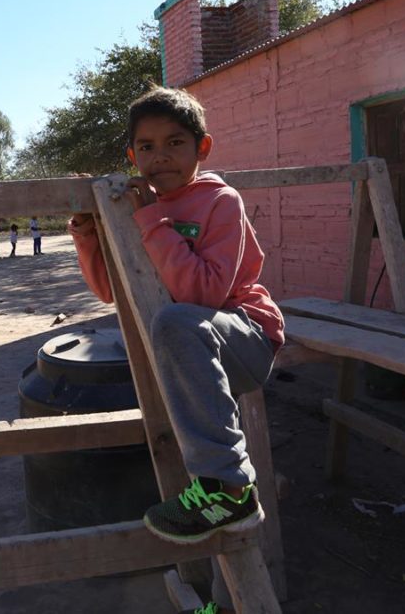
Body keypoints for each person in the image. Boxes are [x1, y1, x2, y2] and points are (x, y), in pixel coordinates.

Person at [67, 86, 284, 614]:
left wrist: (152, 222)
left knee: (175, 321)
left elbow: (202, 294)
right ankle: (222, 600)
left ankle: (230, 488)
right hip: (190, 347)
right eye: (146, 147)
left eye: (174, 143)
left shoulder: (219, 201)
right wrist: (90, 232)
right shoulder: (141, 205)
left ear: (201, 148)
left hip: (246, 337)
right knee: (174, 333)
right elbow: (112, 289)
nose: (159, 157)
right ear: (132, 155)